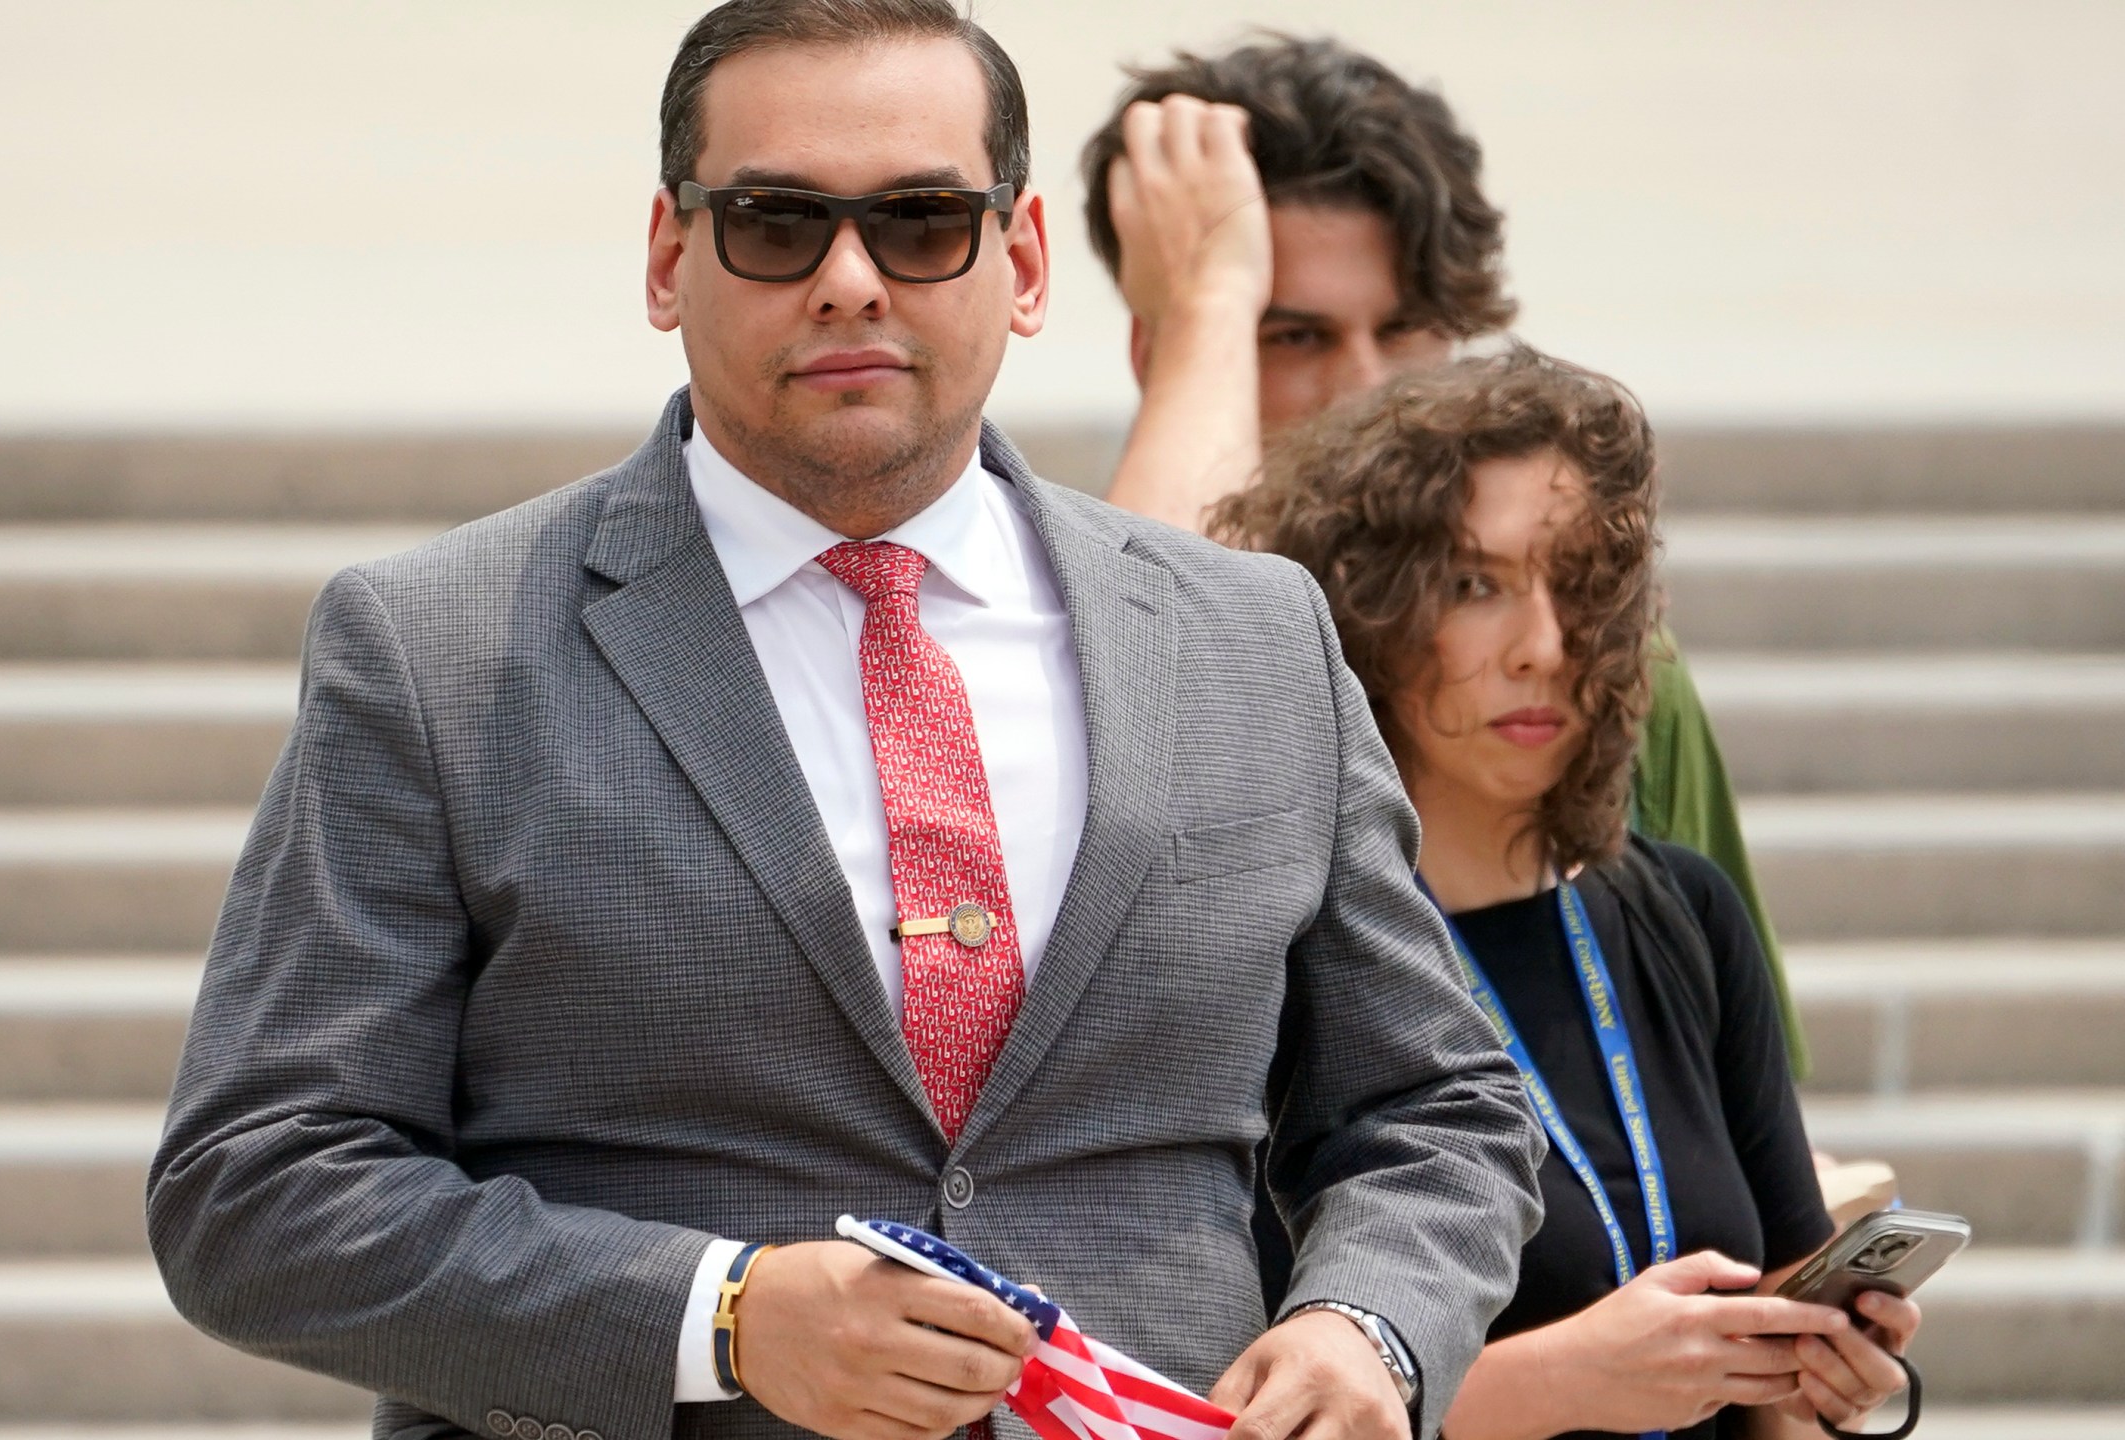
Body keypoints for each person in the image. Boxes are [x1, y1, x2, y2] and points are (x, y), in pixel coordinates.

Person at [147, 6, 1544, 1440]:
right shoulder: (436, 649)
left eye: (925, 220)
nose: (851, 281)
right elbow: (255, 1190)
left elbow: (1439, 1110)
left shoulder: (1252, 638)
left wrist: (1368, 1325)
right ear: (665, 257)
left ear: (1024, 262)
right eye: (775, 222)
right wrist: (721, 1318)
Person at [1213, 348, 1921, 1440]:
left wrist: (1825, 1382)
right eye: (1475, 585)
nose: (1543, 646)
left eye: (1583, 581)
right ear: (1368, 611)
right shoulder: (1278, 970)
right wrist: (1553, 1385)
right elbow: (1245, 1401)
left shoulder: (1680, 912)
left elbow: (1779, 1372)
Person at [1077, 37, 1806, 1075]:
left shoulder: (1597, 664)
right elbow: (1149, 682)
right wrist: (1206, 301)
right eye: (1291, 336)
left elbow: (1738, 1105)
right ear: (1170, 357)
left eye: (1408, 329)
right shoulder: (1091, 607)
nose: (1367, 387)